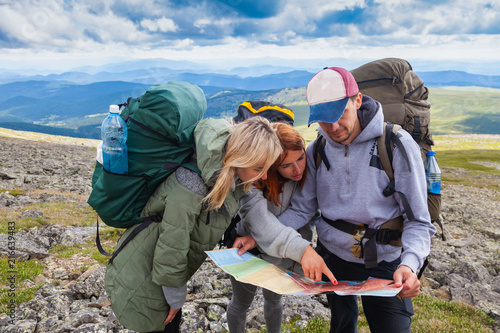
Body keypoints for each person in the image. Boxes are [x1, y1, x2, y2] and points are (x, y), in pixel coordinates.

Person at [276, 67, 437, 333]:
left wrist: (409, 264)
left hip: (386, 260)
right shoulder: (318, 149)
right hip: (333, 258)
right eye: (324, 120)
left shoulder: (396, 144)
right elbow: (302, 210)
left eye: (340, 115)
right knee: (341, 326)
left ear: (358, 100)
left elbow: (418, 221)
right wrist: (260, 234)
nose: (333, 127)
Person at [104, 116, 284, 333]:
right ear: (240, 157)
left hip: (158, 274)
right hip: (144, 274)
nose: (264, 175)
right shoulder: (192, 185)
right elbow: (171, 247)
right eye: (258, 168)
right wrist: (176, 300)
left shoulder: (226, 177)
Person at [227, 122, 336, 333]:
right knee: (241, 303)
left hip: (281, 254)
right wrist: (300, 250)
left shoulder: (305, 176)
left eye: (301, 158)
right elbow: (258, 221)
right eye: (286, 165)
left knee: (274, 299)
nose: (297, 169)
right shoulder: (254, 179)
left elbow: (304, 215)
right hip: (247, 251)